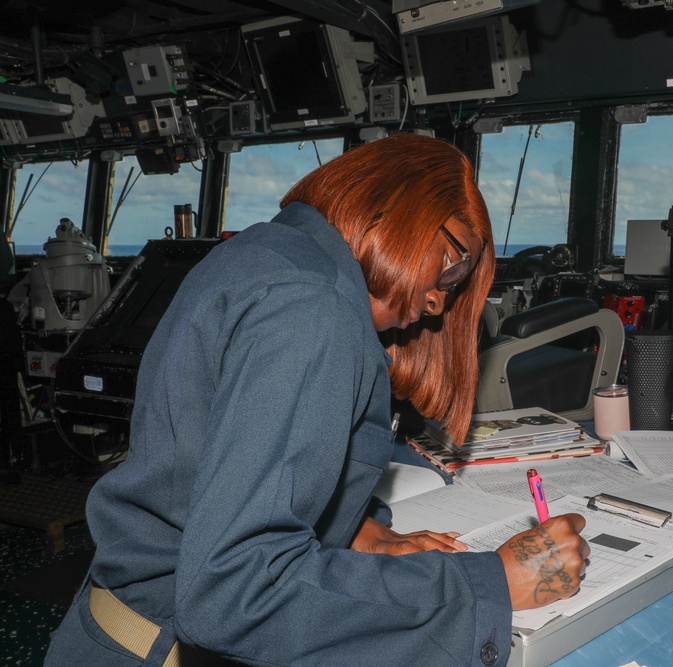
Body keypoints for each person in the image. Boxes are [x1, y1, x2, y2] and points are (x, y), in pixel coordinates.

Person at [44, 133, 589, 667]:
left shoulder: (266, 254)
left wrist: (357, 531)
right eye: (450, 267)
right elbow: (234, 594)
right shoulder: (315, 311)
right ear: (396, 208)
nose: (435, 302)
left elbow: (212, 469)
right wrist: (486, 584)